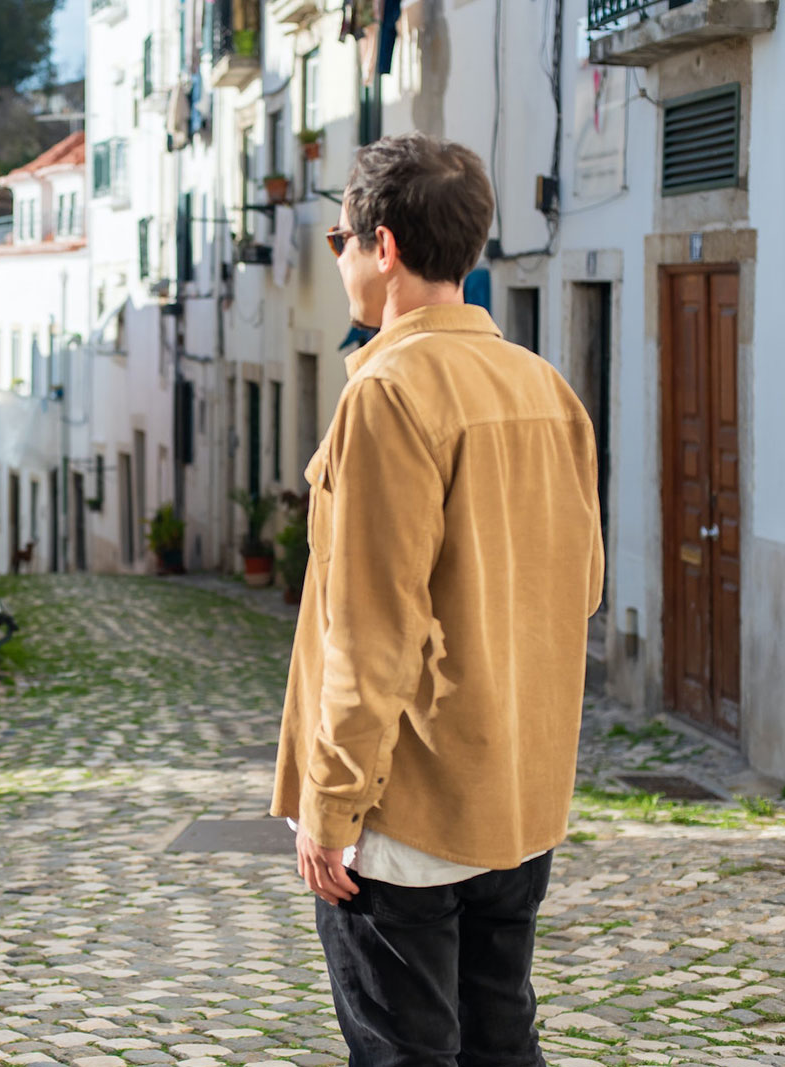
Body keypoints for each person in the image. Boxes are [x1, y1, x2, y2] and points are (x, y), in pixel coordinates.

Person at [271, 133, 603, 1065]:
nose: (337, 256)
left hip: (405, 812)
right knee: (505, 1043)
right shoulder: (547, 388)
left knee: (403, 1051)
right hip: (517, 800)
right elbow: (580, 589)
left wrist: (330, 808)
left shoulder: (387, 395)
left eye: (339, 236)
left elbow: (370, 634)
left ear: (382, 248)